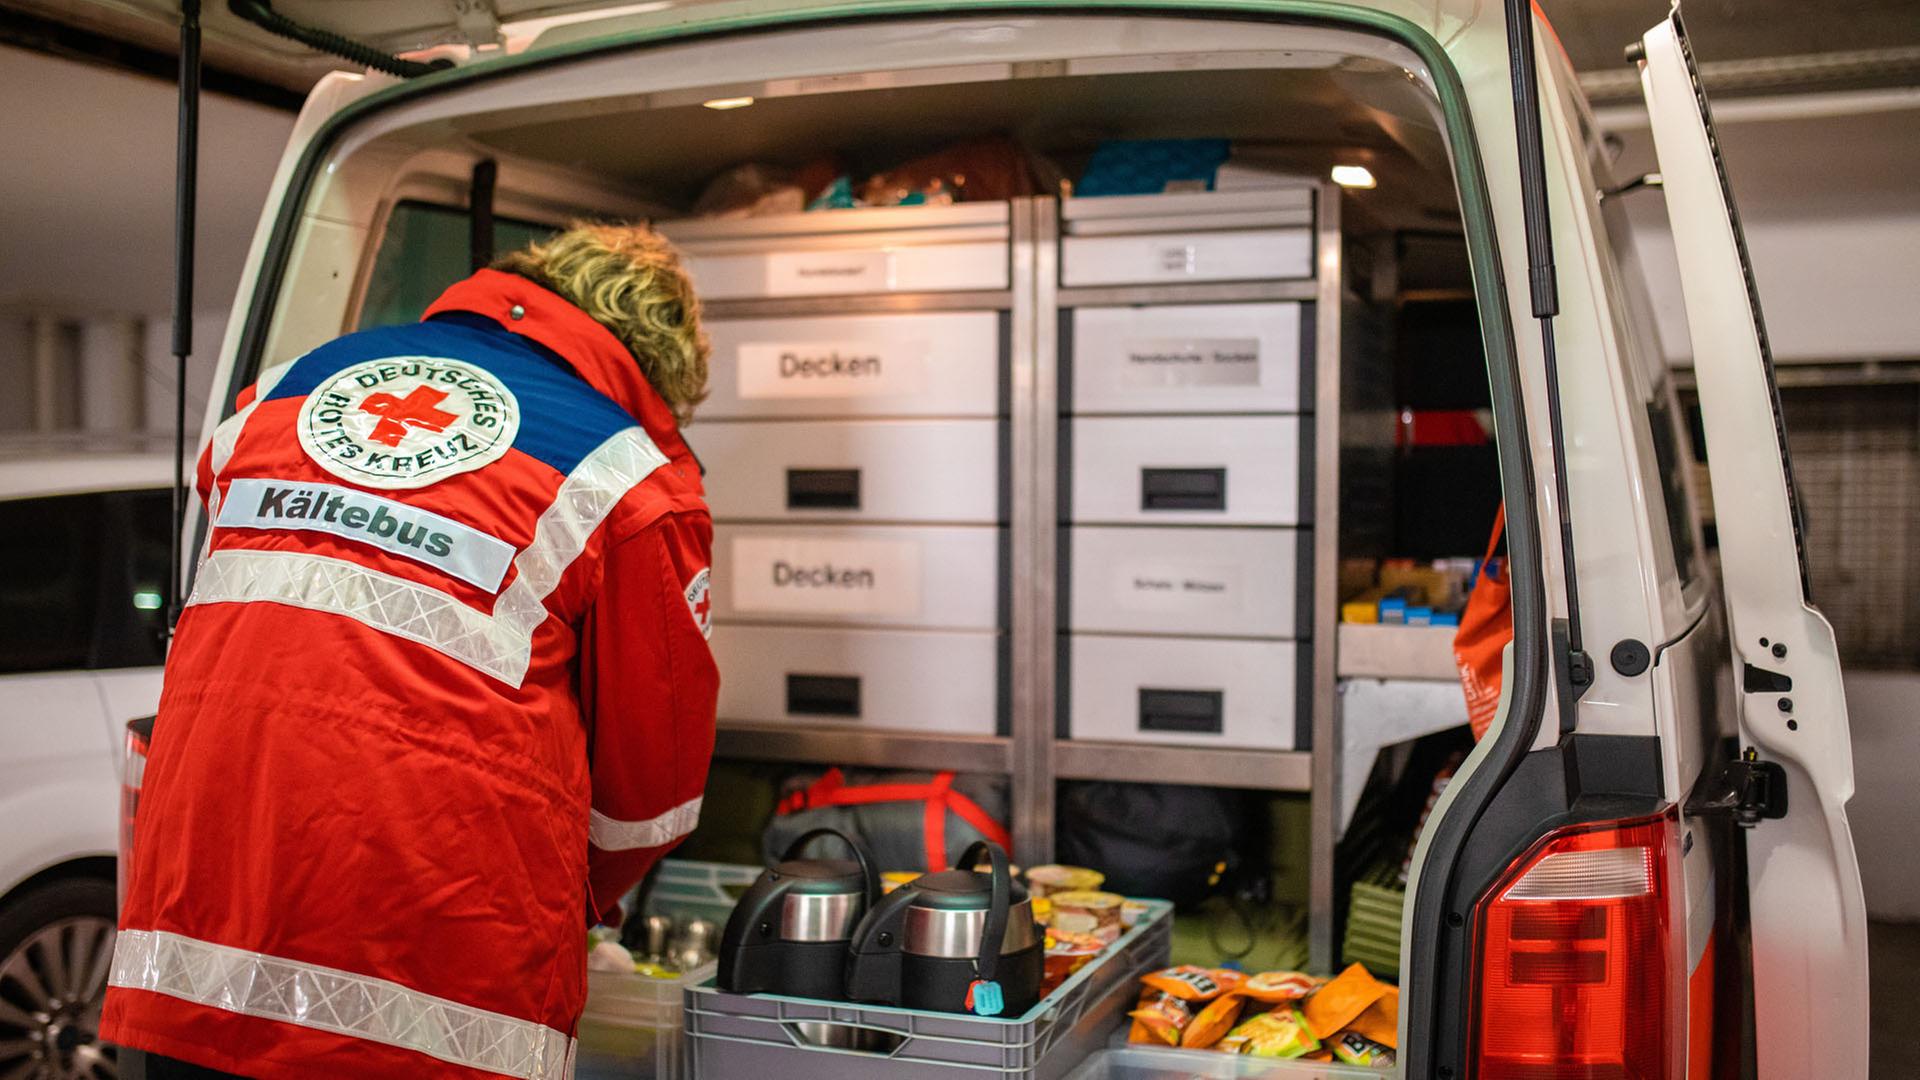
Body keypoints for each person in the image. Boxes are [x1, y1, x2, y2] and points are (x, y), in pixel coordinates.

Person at [102, 223, 720, 1079]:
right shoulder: (629, 474)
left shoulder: (281, 392)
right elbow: (648, 800)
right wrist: (577, 906)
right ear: (657, 369)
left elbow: (265, 634)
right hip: (432, 997)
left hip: (197, 957)